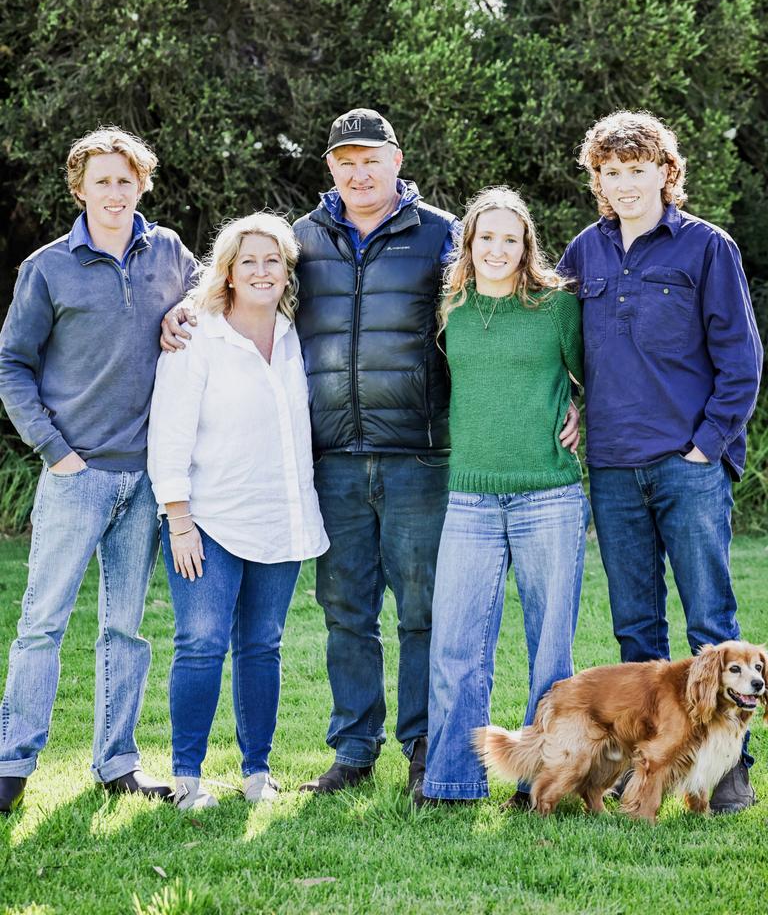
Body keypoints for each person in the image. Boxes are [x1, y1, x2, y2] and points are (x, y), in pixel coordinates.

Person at [161, 108, 580, 796]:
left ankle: (423, 747)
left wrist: (570, 396)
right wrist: (181, 310)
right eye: (346, 161)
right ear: (331, 168)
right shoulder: (301, 240)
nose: (359, 172)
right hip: (334, 461)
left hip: (421, 457)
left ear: (396, 161)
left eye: (371, 159)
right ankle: (355, 750)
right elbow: (246, 285)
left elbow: (514, 303)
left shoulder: (444, 235)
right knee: (346, 611)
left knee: (423, 611)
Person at [559, 110, 763, 814]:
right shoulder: (583, 253)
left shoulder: (708, 248)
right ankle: (640, 768)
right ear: (599, 181)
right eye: (610, 173)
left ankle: (728, 771)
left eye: (637, 170)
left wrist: (707, 442)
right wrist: (570, 403)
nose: (624, 185)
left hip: (688, 463)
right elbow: (561, 344)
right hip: (613, 466)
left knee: (711, 623)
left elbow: (742, 359)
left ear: (666, 173)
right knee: (636, 631)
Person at [0, 127, 196, 814]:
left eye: (126, 179)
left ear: (143, 184)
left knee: (125, 629)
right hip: (75, 477)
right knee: (42, 623)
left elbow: (212, 304)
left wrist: (185, 313)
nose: (115, 192)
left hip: (146, 479)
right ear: (78, 188)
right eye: (101, 181)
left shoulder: (170, 252)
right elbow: (12, 366)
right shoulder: (47, 269)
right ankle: (11, 764)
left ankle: (117, 765)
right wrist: (57, 453)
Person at [148, 213, 328, 810]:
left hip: (279, 517)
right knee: (200, 642)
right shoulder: (197, 335)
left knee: (262, 645)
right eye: (247, 260)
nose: (260, 270)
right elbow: (168, 434)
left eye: (272, 260)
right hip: (208, 522)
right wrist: (178, 519)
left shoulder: (296, 335)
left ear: (286, 271)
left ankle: (257, 774)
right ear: (227, 270)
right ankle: (187, 778)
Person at [419, 186, 589, 807]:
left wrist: (582, 412)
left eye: (509, 239)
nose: (496, 248)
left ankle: (539, 782)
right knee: (456, 644)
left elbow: (597, 377)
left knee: (551, 648)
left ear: (526, 247)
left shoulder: (555, 307)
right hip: (468, 499)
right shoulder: (449, 308)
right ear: (468, 243)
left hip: (550, 495)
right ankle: (451, 781)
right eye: (485, 237)